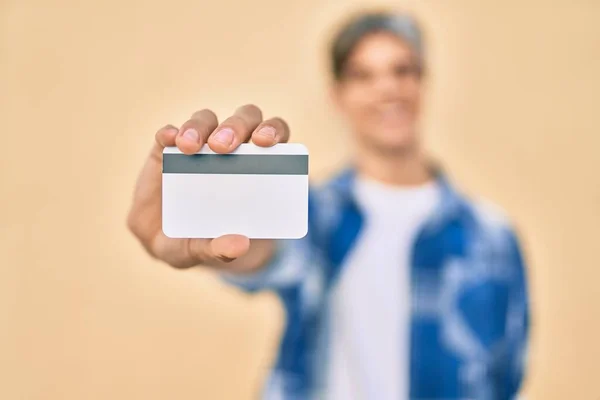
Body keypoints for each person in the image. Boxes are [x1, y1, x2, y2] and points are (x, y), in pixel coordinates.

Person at [127, 11, 529, 400]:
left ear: (423, 82)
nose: (388, 88)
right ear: (338, 96)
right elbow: (269, 253)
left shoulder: (491, 236)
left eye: (403, 70)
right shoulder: (314, 213)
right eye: (363, 74)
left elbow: (507, 376)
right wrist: (210, 237)